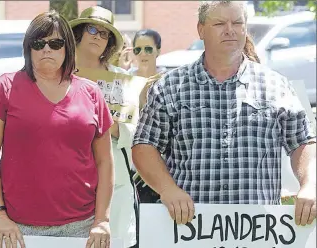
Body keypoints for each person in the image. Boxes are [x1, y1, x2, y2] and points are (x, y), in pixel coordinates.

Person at [132, 0, 316, 226]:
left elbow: (304, 142)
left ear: (245, 28)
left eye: (237, 23)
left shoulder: (276, 86)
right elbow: (144, 146)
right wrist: (167, 188)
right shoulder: (170, 87)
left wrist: (310, 184)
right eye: (219, 23)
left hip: (258, 236)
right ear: (201, 30)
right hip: (188, 232)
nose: (230, 30)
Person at [0, 11, 114, 248]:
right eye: (38, 44)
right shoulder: (3, 89)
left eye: (56, 43)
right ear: (28, 49)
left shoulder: (92, 93)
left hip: (82, 229)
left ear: (67, 48)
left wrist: (102, 220)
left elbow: (105, 161)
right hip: (18, 229)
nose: (46, 50)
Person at [70, 6, 137, 248]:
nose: (98, 36)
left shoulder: (122, 79)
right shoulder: (58, 76)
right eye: (92, 29)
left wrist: (109, 122)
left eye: (105, 33)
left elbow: (134, 132)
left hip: (115, 185)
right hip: (68, 186)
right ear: (77, 33)